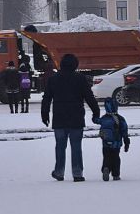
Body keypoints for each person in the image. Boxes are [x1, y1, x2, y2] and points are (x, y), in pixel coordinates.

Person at [42, 53, 100, 182]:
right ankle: (77, 173)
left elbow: (46, 98)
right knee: (76, 146)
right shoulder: (80, 79)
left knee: (60, 146)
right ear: (75, 65)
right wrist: (96, 111)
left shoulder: (53, 79)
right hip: (76, 117)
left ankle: (59, 171)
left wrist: (44, 114)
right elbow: (89, 97)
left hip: (59, 118)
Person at [92, 98, 130, 181]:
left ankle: (106, 168)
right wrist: (126, 141)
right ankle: (116, 174)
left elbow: (96, 120)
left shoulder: (104, 118)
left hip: (105, 142)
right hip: (116, 143)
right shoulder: (120, 119)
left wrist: (94, 115)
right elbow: (124, 130)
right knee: (116, 157)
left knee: (106, 157)